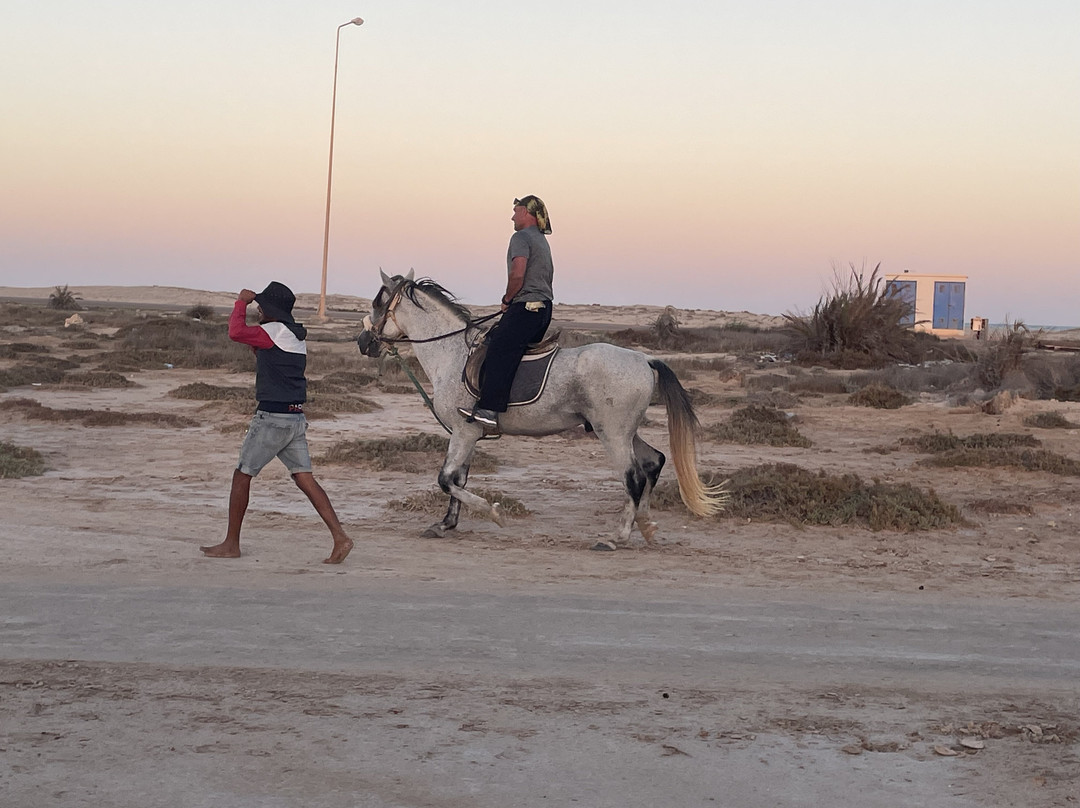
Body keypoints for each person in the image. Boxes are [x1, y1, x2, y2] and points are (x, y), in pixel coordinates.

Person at [200, 282, 354, 564]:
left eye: (261, 306)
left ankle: (231, 543)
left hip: (272, 419)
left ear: (271, 310)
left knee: (242, 474)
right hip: (295, 418)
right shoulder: (295, 336)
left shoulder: (273, 330)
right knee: (305, 478)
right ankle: (340, 537)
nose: (258, 309)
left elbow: (235, 332)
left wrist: (240, 303)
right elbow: (267, 358)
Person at [459, 195, 554, 428]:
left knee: (499, 348)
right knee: (509, 347)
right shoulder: (541, 240)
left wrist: (507, 299)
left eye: (516, 210)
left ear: (527, 213)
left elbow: (518, 274)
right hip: (543, 308)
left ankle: (490, 409)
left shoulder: (520, 237)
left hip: (527, 307)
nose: (512, 216)